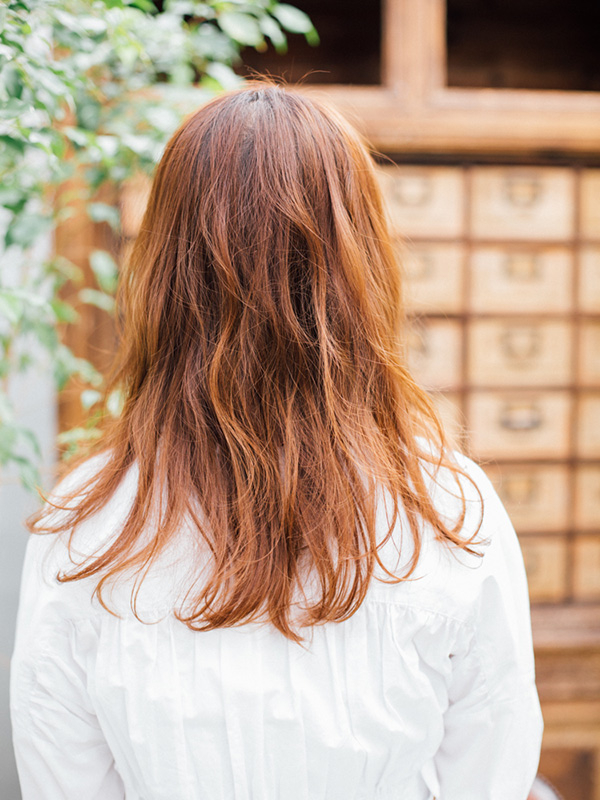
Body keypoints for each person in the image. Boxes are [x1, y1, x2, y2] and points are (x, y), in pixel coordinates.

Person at [10, 82, 543, 800]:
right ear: (359, 268)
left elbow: (63, 774)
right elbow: (491, 771)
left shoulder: (86, 525)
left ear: (165, 274)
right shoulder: (451, 512)